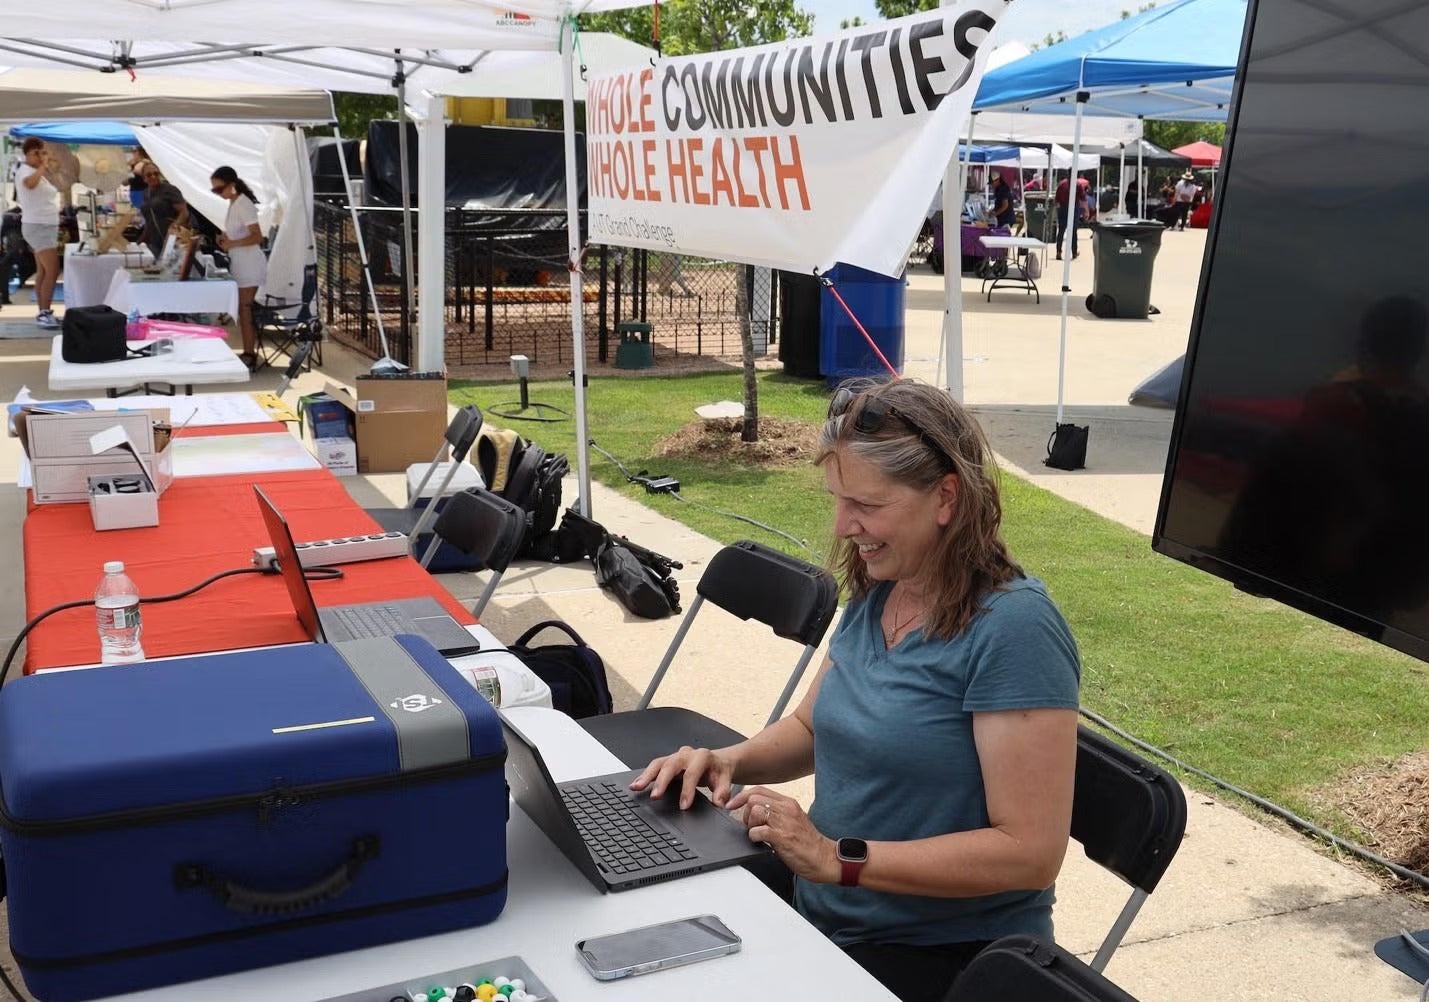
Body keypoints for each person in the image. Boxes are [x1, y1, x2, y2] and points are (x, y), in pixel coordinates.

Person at [630, 377, 1081, 1002]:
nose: (844, 526)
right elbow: (813, 729)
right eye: (838, 500)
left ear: (946, 497)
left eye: (866, 504)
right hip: (825, 911)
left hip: (938, 954)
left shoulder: (1015, 628)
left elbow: (1029, 852)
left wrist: (836, 858)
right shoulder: (883, 586)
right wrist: (726, 762)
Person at [210, 165, 267, 371]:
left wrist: (232, 243)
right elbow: (239, 233)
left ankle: (250, 353)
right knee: (243, 310)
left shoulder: (243, 204)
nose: (218, 193)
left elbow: (257, 236)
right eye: (214, 190)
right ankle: (248, 351)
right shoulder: (234, 203)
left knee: (245, 310)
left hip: (249, 264)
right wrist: (226, 239)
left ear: (231, 185)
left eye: (220, 189)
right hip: (240, 262)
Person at [15, 138, 61, 330]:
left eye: (42, 152)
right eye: (36, 153)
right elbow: (30, 184)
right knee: (53, 270)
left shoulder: (38, 172)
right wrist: (43, 166)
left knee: (43, 271)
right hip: (38, 226)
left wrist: (48, 168)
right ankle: (44, 312)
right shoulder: (25, 171)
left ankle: (44, 311)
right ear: (27, 155)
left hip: (45, 225)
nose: (40, 157)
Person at [135, 160, 188, 260]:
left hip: (172, 241)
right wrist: (141, 240)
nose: (153, 176)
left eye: (156, 173)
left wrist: (174, 226)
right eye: (149, 175)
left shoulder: (170, 189)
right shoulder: (146, 193)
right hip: (154, 241)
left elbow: (184, 212)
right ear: (144, 179)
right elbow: (149, 219)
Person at [1054, 176, 1088, 260]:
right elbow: (1083, 198)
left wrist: (1058, 209)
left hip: (1063, 208)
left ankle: (1058, 252)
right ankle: (1074, 252)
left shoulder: (1061, 184)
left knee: (1061, 231)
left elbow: (1056, 199)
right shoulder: (1077, 184)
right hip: (1074, 209)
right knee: (1073, 231)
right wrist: (1086, 211)